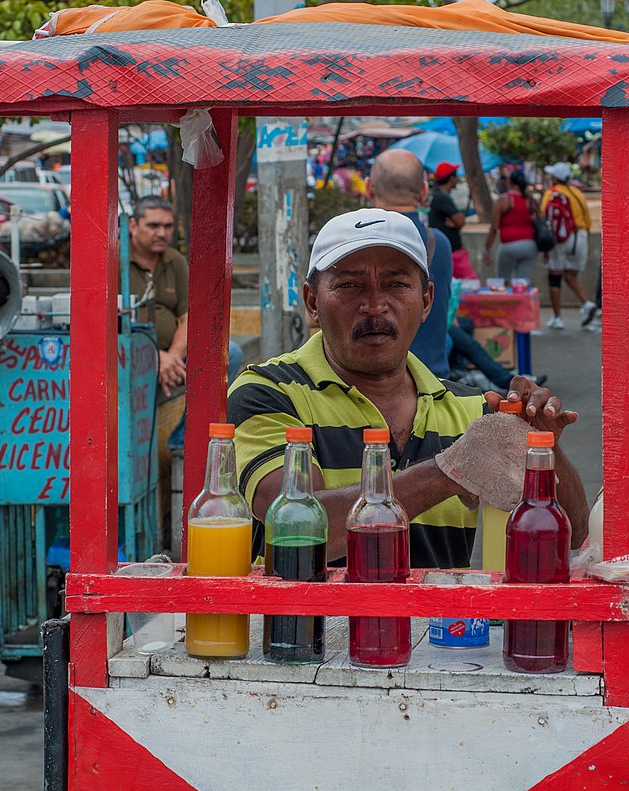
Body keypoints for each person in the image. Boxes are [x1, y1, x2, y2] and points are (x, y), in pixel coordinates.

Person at [228, 208, 588, 567]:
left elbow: (574, 531)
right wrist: (448, 471)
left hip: (442, 627)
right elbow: (295, 521)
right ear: (312, 302)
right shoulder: (269, 392)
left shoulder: (470, 410)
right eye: (349, 285)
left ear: (427, 301)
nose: (374, 306)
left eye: (396, 284)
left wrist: (545, 446)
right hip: (306, 626)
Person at [126, 196, 242, 449]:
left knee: (229, 353)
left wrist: (172, 356)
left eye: (168, 227)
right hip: (128, 355)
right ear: (133, 225)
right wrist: (154, 356)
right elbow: (106, 327)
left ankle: (183, 440)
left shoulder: (174, 261)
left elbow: (189, 317)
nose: (162, 233)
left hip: (171, 358)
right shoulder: (117, 261)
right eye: (154, 225)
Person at [367, 148, 451, 379]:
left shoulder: (356, 245)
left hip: (369, 383)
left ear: (367, 188)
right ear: (424, 191)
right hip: (432, 380)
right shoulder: (439, 243)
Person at [540, 162, 596, 329]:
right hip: (580, 237)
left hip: (561, 238)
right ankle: (586, 303)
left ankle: (558, 317)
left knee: (555, 276)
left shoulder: (552, 193)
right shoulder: (578, 193)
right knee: (571, 275)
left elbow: (544, 216)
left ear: (555, 179)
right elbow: (586, 221)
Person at [483, 170, 539, 282]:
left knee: (503, 282)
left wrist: (487, 249)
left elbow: (494, 228)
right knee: (522, 282)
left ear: (510, 182)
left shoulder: (504, 200)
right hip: (530, 246)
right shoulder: (531, 200)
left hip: (509, 247)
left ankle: (506, 300)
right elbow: (541, 220)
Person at [428, 161, 477, 280]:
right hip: (453, 252)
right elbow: (460, 221)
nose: (458, 179)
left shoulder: (440, 195)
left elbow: (458, 221)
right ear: (451, 178)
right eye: (456, 176)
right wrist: (457, 221)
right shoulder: (442, 197)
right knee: (471, 282)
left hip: (448, 250)